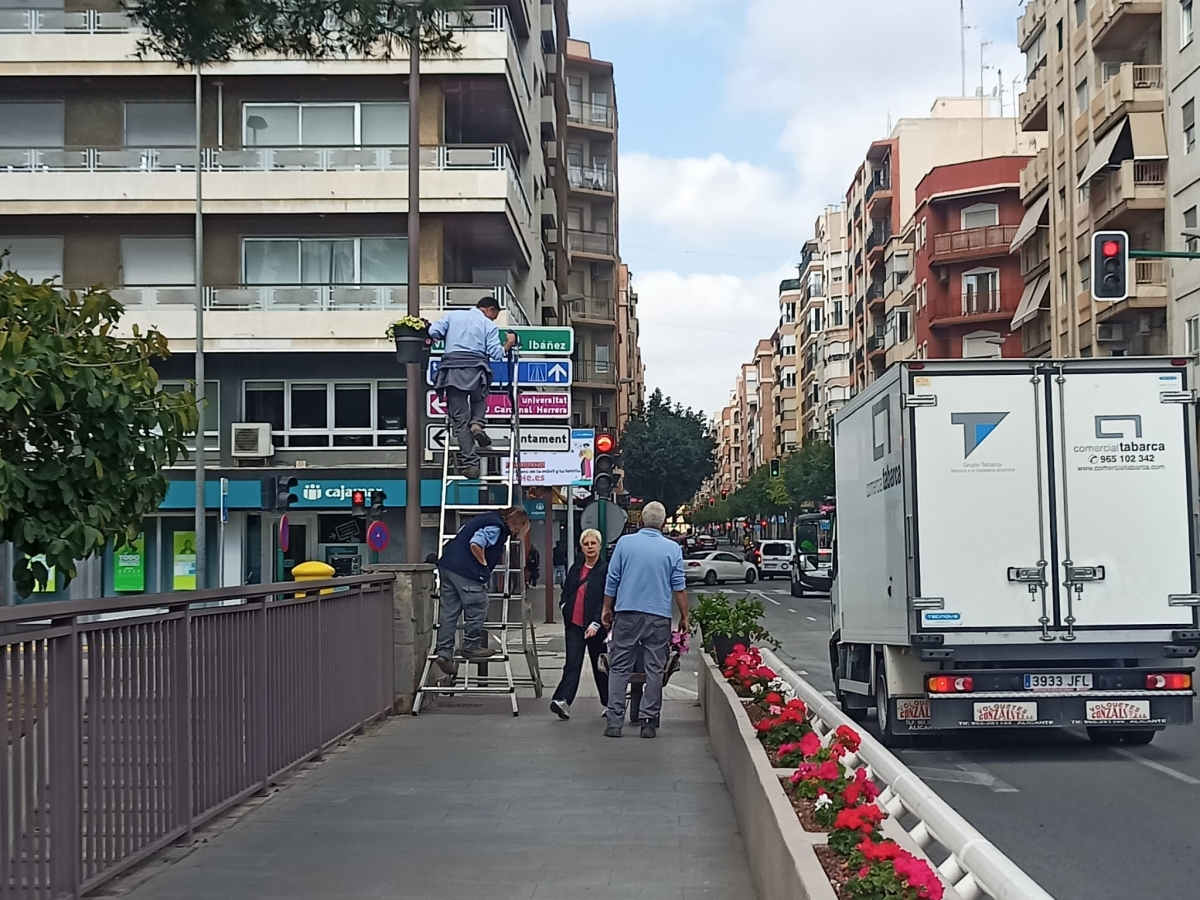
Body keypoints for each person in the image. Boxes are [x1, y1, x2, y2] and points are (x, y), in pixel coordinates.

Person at [601, 501, 688, 739]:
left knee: (619, 667)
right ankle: (648, 721)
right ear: (662, 523)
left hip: (627, 613)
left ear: (641, 521)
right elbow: (678, 587)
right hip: (658, 616)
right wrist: (684, 616)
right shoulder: (672, 549)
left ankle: (614, 722)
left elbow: (613, 579)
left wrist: (607, 609)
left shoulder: (624, 543)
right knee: (654, 669)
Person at [427, 296, 518, 479]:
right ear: (490, 309)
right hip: (477, 370)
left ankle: (471, 464)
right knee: (479, 399)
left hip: (452, 372)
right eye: (494, 315)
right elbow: (497, 354)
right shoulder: (488, 325)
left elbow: (433, 331)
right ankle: (477, 423)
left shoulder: (453, 316)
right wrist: (509, 343)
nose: (493, 319)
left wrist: (448, 336)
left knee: (460, 421)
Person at [434, 506, 530, 677]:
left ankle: (444, 652)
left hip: (447, 566)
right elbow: (476, 543)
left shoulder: (486, 518)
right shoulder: (496, 526)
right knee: (479, 605)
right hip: (467, 571)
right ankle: (471, 646)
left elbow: (464, 533)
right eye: (520, 528)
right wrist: (484, 565)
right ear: (518, 524)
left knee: (449, 612)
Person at [549, 529, 608, 720]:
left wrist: (597, 622)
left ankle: (610, 704)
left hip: (596, 627)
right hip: (574, 624)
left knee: (600, 666)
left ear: (599, 545)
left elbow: (607, 600)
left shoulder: (604, 570)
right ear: (581, 547)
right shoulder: (576, 568)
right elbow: (567, 590)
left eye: (593, 543)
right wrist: (564, 606)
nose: (590, 547)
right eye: (586, 543)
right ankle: (562, 700)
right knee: (572, 663)